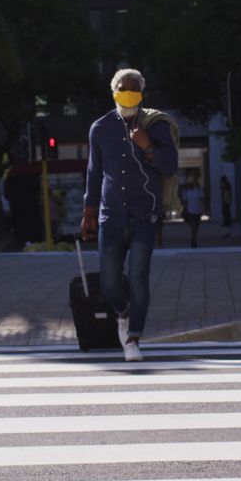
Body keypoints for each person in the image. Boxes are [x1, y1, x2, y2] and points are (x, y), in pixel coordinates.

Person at [81, 69, 179, 361]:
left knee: (139, 277)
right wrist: (88, 213)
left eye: (134, 91)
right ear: (114, 93)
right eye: (123, 90)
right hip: (110, 217)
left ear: (141, 94)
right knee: (110, 282)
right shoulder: (99, 129)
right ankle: (123, 313)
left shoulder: (156, 126)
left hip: (144, 216)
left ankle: (134, 338)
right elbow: (94, 174)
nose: (128, 95)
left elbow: (170, 166)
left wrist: (148, 146)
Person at [182, 181, 204, 248]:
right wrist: (185, 211)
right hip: (190, 212)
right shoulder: (186, 191)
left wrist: (203, 207)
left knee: (196, 227)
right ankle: (193, 241)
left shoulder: (198, 190)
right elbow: (184, 201)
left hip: (198, 211)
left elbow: (202, 198)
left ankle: (194, 239)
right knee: (193, 227)